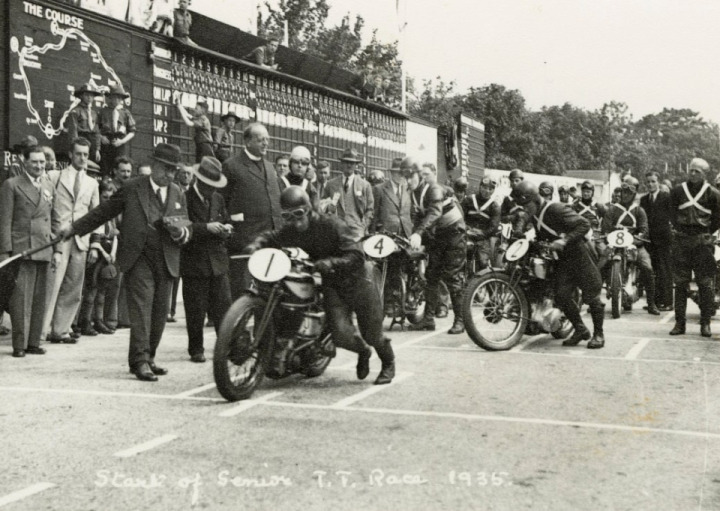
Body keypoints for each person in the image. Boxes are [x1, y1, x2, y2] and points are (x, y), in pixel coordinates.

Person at [57, 143, 191, 382]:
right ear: (155, 166)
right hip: (138, 258)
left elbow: (186, 226)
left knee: (160, 312)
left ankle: (149, 357)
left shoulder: (178, 192)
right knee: (141, 310)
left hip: (167, 259)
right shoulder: (132, 188)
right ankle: (139, 361)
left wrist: (182, 234)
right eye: (166, 169)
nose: (170, 175)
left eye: (174, 171)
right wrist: (75, 229)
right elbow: (103, 212)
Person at [248, 186, 395, 384]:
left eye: (299, 214)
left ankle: (388, 363)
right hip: (332, 283)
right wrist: (256, 245)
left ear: (308, 209)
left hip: (359, 281)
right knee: (340, 334)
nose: (295, 221)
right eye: (288, 216)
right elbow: (272, 237)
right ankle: (363, 351)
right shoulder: (292, 230)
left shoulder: (332, 225)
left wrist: (331, 262)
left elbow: (357, 255)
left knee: (373, 333)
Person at [513, 181, 606, 348]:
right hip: (563, 260)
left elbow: (584, 224)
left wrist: (565, 240)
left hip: (580, 255)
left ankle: (599, 334)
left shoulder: (556, 209)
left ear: (535, 200)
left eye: (526, 205)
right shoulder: (534, 215)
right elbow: (543, 237)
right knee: (561, 295)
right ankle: (580, 329)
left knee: (592, 295)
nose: (524, 210)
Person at [44, 138, 101, 344]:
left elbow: (96, 215)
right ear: (70, 154)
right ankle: (41, 332)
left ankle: (61, 330)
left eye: (86, 154)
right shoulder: (55, 176)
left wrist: (95, 243)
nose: (83, 158)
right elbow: (47, 208)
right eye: (79, 154)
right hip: (58, 239)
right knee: (52, 285)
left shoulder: (92, 183)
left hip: (80, 241)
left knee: (73, 288)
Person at [0, 146, 54, 357]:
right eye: (35, 162)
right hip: (22, 249)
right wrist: (5, 252)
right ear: (24, 162)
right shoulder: (11, 185)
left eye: (42, 162)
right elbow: (5, 221)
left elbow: (53, 220)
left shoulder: (48, 185)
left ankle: (33, 342)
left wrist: (56, 249)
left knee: (40, 298)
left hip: (44, 246)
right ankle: (19, 345)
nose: (39, 166)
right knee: (20, 299)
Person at [221, 122, 283, 299]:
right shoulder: (232, 166)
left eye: (267, 140)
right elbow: (221, 202)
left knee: (268, 295)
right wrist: (232, 225)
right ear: (247, 142)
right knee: (242, 295)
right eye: (260, 139)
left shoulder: (271, 168)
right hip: (244, 242)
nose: (265, 143)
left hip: (271, 242)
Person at [405, 158, 466, 335]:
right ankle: (428, 319)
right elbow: (417, 216)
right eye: (406, 178)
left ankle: (460, 321)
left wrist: (418, 233)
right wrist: (414, 237)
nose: (409, 181)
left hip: (454, 234)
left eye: (411, 177)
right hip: (439, 236)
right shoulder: (414, 193)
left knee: (452, 277)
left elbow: (435, 212)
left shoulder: (433, 188)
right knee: (431, 276)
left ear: (419, 175)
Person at [181, 157, 232, 363]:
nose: (212, 189)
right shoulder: (185, 198)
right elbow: (182, 225)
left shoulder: (218, 199)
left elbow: (225, 219)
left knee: (224, 307)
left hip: (218, 262)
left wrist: (226, 229)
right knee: (195, 309)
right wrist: (206, 228)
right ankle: (196, 349)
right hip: (195, 262)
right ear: (200, 182)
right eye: (209, 185)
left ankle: (226, 345)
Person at [668, 158, 720, 337]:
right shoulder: (677, 191)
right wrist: (680, 229)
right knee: (680, 283)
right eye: (691, 170)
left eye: (697, 171)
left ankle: (705, 323)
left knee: (705, 284)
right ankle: (679, 323)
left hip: (701, 242)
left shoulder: (713, 194)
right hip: (681, 240)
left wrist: (705, 232)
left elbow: (717, 218)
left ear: (705, 174)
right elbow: (672, 213)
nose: (693, 174)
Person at [601, 176, 659, 315]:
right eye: (623, 191)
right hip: (614, 245)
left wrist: (636, 239)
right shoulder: (612, 210)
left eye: (629, 192)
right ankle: (595, 300)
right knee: (599, 265)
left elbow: (644, 230)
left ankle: (651, 303)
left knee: (648, 268)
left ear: (634, 194)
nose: (625, 195)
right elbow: (605, 228)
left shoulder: (639, 211)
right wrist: (608, 237)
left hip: (634, 245)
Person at [78, 180, 120, 336]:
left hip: (107, 256)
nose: (107, 200)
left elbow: (115, 235)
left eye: (110, 197)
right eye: (104, 196)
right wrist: (104, 252)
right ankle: (85, 321)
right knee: (91, 290)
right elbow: (95, 237)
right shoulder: (96, 213)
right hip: (96, 255)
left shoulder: (111, 215)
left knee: (102, 291)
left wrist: (113, 253)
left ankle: (99, 320)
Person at [320, 148, 374, 241]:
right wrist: (329, 209)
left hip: (357, 232)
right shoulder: (331, 184)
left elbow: (370, 209)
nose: (349, 165)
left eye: (352, 163)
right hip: (336, 230)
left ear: (356, 165)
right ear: (342, 164)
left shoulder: (365, 185)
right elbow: (322, 205)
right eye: (346, 162)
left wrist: (362, 226)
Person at [640, 171, 674, 311]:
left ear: (658, 182)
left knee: (664, 270)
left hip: (663, 239)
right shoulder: (643, 200)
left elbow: (673, 216)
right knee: (651, 270)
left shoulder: (666, 197)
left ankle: (667, 302)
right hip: (649, 239)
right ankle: (653, 302)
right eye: (648, 182)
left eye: (653, 181)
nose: (650, 184)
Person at [167, 164, 194, 323]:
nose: (185, 176)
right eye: (183, 173)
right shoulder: (175, 191)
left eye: (188, 173)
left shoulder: (192, 193)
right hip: (176, 237)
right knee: (173, 276)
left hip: (189, 238)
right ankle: (169, 311)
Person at [461, 177, 501, 269]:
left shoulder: (494, 206)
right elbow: (460, 216)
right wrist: (466, 229)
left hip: (483, 238)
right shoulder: (469, 200)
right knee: (460, 258)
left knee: (483, 262)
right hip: (466, 233)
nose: (487, 191)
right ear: (480, 187)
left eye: (490, 189)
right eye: (485, 187)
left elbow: (493, 227)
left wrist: (482, 233)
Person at [99, 84, 136, 177]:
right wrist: (101, 137)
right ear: (110, 98)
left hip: (120, 143)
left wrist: (122, 141)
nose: (116, 100)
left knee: (120, 167)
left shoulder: (125, 113)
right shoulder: (103, 112)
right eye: (114, 98)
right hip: (106, 143)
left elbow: (132, 132)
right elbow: (96, 128)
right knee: (105, 169)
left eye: (119, 98)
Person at [371, 157, 412, 238]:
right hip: (386, 235)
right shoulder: (379, 189)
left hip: (405, 234)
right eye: (398, 173)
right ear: (392, 173)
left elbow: (411, 213)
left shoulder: (408, 190)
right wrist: (372, 234)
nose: (401, 176)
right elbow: (374, 214)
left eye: (403, 173)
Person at [66, 83, 102, 163]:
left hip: (92, 144)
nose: (89, 98)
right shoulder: (75, 111)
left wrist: (97, 149)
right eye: (87, 95)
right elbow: (73, 131)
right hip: (81, 140)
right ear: (81, 96)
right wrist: (75, 147)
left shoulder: (94, 113)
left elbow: (96, 132)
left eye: (92, 95)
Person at [278, 146, 319, 210]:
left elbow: (316, 211)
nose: (300, 165)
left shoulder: (310, 187)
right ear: (290, 164)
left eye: (304, 163)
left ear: (307, 167)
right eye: (296, 162)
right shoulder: (279, 183)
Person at [175, 96, 214, 162]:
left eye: (196, 108)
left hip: (204, 147)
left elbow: (189, 123)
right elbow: (187, 115)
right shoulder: (200, 118)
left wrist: (181, 112)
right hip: (202, 146)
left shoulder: (203, 119)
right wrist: (179, 105)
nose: (194, 110)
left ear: (203, 110)